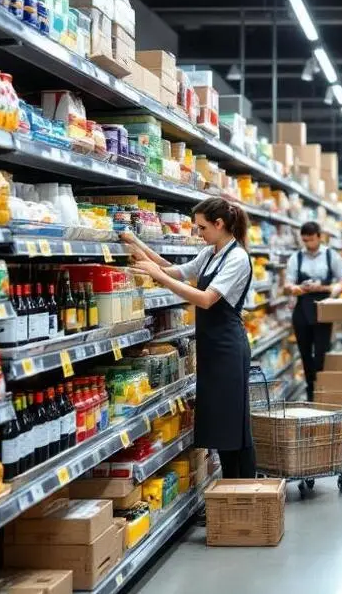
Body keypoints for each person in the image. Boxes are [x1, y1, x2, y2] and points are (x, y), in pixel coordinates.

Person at [120, 198, 256, 479]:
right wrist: (137, 245)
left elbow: (206, 300)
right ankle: (232, 492)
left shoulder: (238, 258)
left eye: (202, 227)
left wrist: (160, 276)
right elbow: (174, 271)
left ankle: (241, 490)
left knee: (232, 423)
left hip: (228, 348)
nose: (199, 233)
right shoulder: (211, 253)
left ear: (220, 225)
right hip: (211, 346)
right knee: (220, 422)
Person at [284, 221, 342, 400]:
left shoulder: (331, 255)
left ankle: (321, 386)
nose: (308, 244)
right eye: (305, 240)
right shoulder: (296, 257)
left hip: (323, 308)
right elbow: (287, 283)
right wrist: (294, 288)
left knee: (321, 352)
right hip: (302, 309)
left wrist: (328, 289)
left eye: (311, 240)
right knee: (304, 352)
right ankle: (311, 390)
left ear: (319, 236)